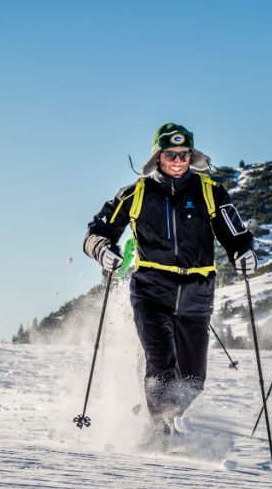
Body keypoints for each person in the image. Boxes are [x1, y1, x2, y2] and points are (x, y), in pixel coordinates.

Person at [84, 123, 256, 440]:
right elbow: (96, 233)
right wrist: (103, 251)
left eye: (184, 154)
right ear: (157, 157)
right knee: (162, 365)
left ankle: (158, 412)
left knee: (193, 379)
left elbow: (237, 235)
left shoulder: (210, 191)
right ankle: (162, 432)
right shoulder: (135, 194)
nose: (178, 161)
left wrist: (243, 254)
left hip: (197, 295)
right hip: (152, 291)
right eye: (171, 154)